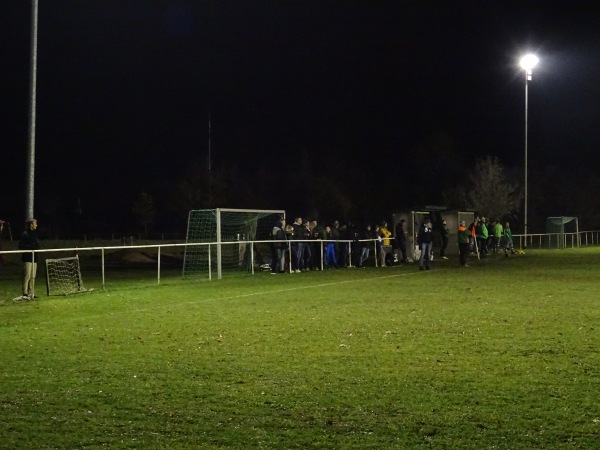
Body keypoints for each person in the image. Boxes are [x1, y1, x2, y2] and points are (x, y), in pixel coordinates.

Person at [19, 217, 41, 299]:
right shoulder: (25, 234)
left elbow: (37, 245)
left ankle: (31, 292)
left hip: (34, 258)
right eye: (35, 223)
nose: (37, 225)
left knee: (33, 276)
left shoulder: (35, 234)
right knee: (27, 275)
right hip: (27, 258)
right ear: (31, 225)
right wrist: (31, 247)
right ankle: (25, 293)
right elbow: (21, 246)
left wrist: (35, 246)